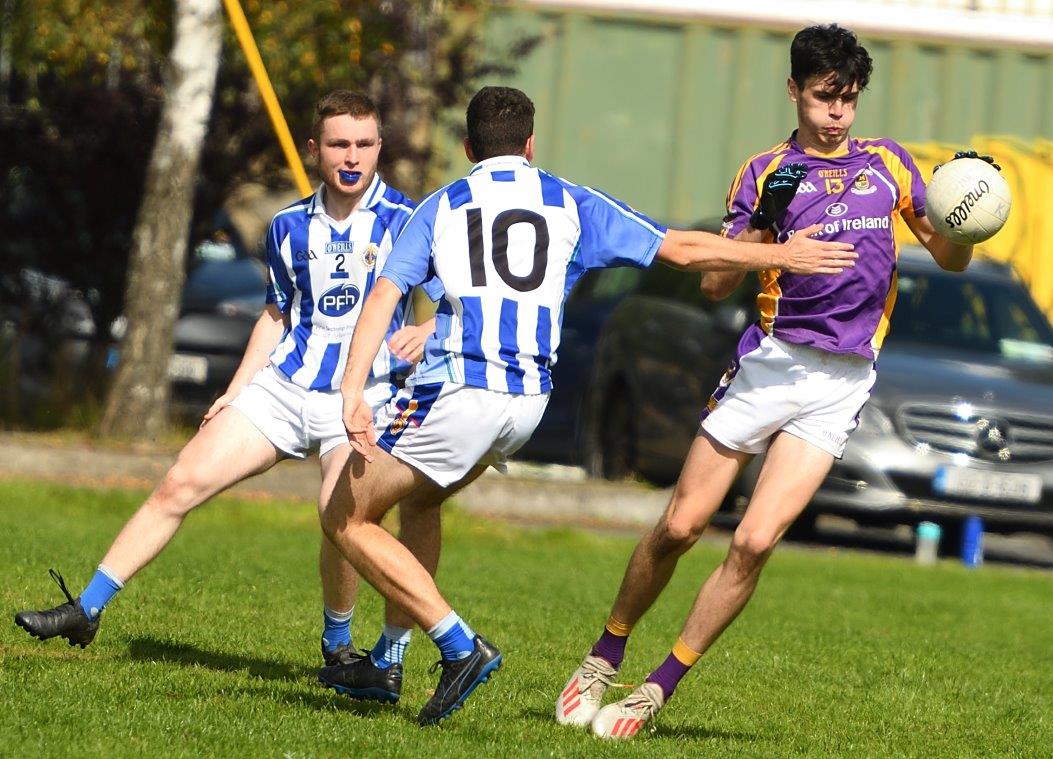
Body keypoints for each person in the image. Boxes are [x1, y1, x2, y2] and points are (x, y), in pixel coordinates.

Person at [314, 84, 857, 726]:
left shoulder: (443, 204)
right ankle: (390, 655)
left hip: (462, 387)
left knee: (342, 514)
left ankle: (459, 646)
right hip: (531, 405)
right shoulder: (568, 199)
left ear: (467, 148)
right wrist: (781, 254)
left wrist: (352, 390)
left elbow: (384, 296)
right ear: (531, 145)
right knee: (422, 501)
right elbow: (683, 249)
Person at [555, 24, 997, 740]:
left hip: (842, 379)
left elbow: (947, 256)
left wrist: (967, 212)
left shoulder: (888, 164)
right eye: (825, 97)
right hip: (769, 364)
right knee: (680, 525)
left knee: (755, 543)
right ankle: (608, 649)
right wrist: (770, 237)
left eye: (849, 100)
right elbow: (717, 283)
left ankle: (656, 689)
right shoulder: (767, 171)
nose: (837, 113)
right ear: (794, 89)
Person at [14, 91, 438, 696]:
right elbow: (275, 314)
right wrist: (235, 391)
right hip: (284, 387)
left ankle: (340, 647)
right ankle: (87, 609)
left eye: (364, 144)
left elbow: (452, 300)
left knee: (342, 518)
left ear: (379, 148)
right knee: (180, 481)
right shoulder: (287, 226)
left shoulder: (410, 220)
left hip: (363, 396)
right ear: (314, 149)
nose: (352, 156)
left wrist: (426, 331)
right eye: (339, 144)